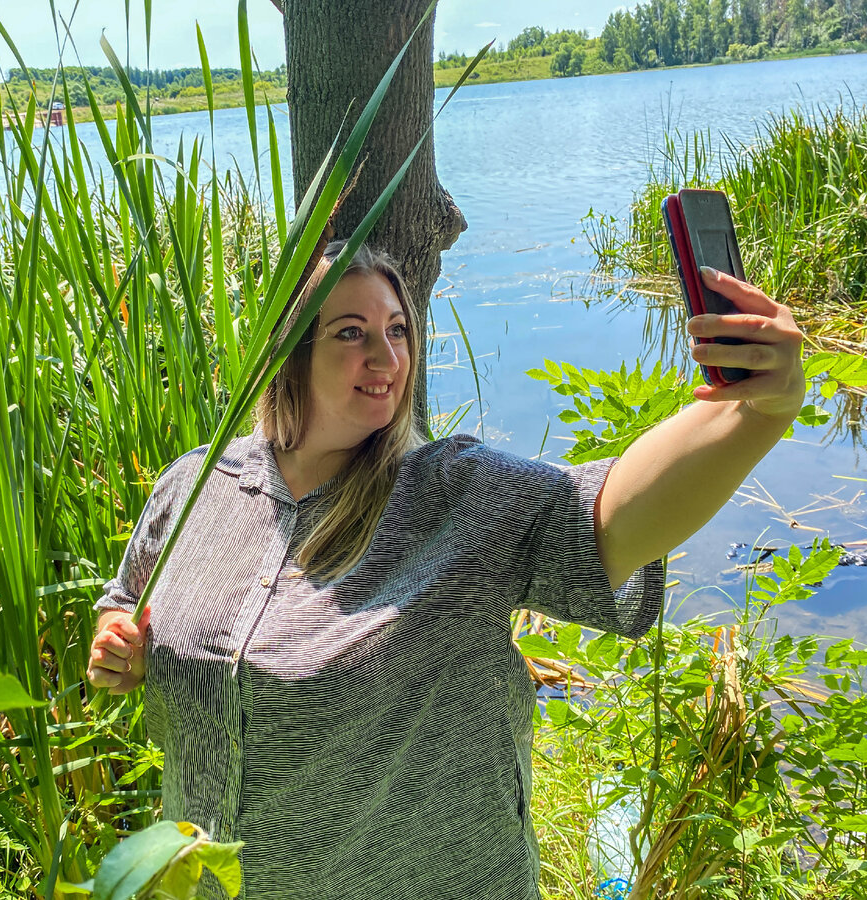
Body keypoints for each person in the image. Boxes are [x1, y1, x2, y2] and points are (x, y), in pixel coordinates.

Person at [86, 241, 804, 900]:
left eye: (397, 331)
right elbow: (128, 603)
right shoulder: (198, 484)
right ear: (291, 349)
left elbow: (609, 516)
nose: (386, 358)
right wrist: (123, 646)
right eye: (351, 334)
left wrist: (759, 412)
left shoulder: (453, 495)